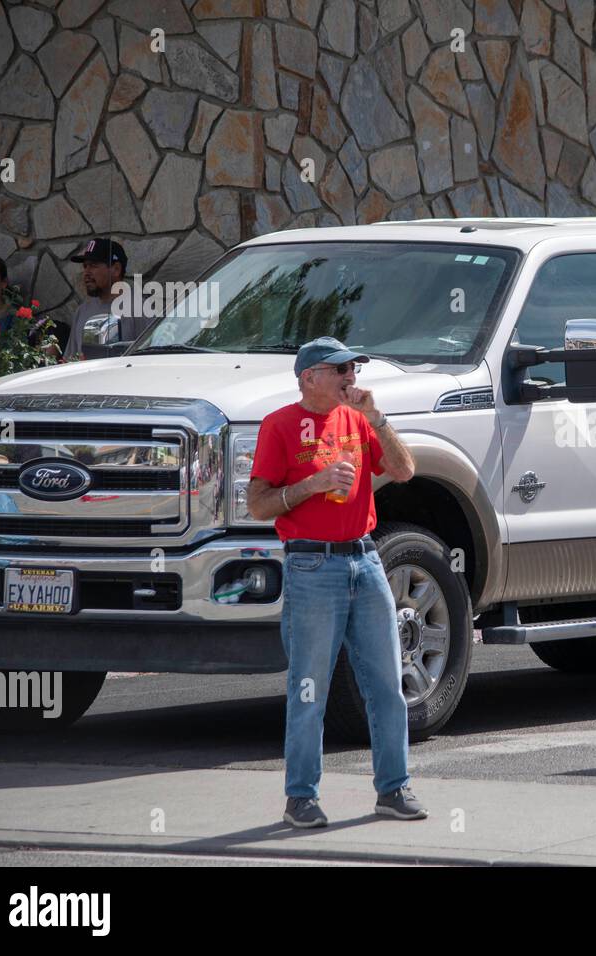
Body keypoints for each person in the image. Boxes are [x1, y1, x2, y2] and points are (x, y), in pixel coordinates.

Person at [246, 336, 423, 828]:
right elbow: (258, 504)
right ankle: (300, 797)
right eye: (340, 368)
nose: (351, 377)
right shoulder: (279, 425)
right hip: (311, 566)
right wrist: (312, 485)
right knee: (309, 688)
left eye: (354, 368)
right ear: (309, 377)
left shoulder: (359, 418)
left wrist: (376, 417)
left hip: (365, 560)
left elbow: (406, 470)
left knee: (388, 684)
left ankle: (393, 788)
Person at [63, 238, 129, 361]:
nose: (86, 273)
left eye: (93, 266)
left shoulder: (139, 310)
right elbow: (69, 361)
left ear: (116, 269)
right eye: (85, 266)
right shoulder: (82, 311)